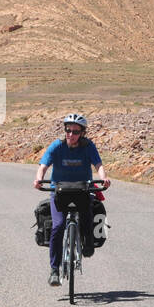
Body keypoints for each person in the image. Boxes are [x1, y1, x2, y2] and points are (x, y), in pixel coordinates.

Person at [34, 113, 110, 287]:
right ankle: (54, 270)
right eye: (68, 130)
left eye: (75, 131)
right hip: (59, 191)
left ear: (82, 133)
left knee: (87, 217)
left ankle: (88, 242)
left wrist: (104, 178)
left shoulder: (88, 146)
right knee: (58, 225)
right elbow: (43, 165)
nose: (71, 134)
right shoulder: (57, 146)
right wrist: (38, 179)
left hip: (82, 189)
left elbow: (98, 165)